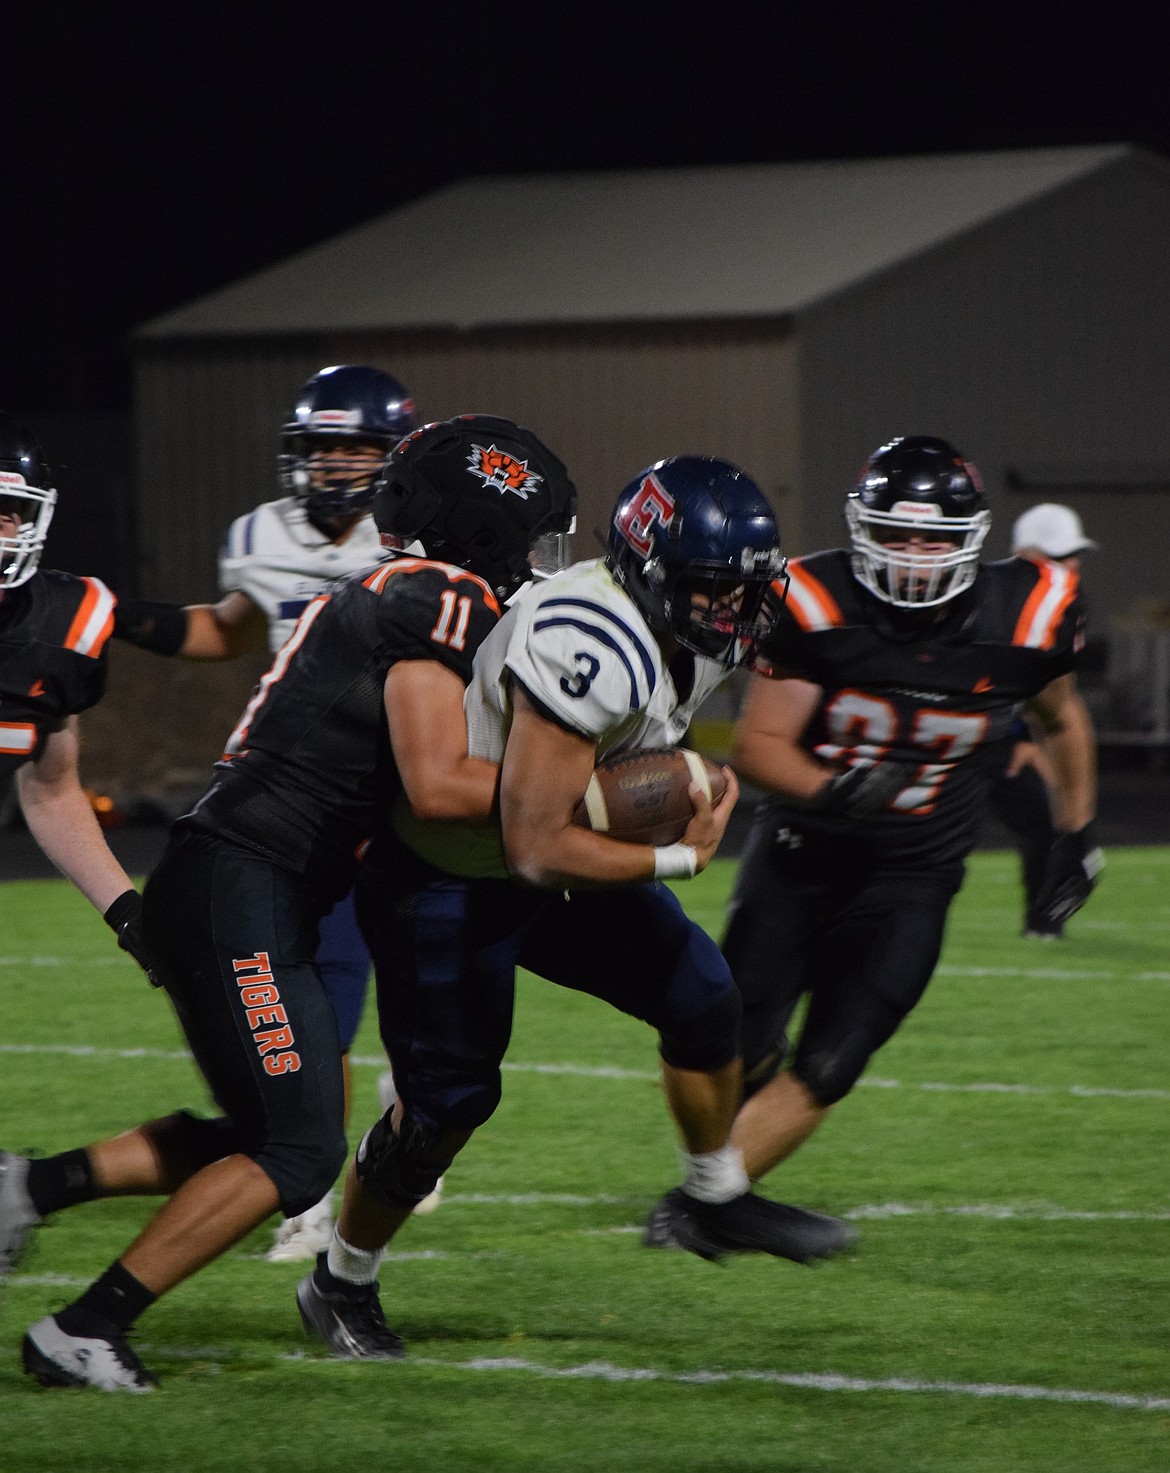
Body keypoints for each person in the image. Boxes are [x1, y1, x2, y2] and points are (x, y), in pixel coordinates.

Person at [6, 414, 577, 1392]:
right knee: (301, 1150)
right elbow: (436, 787)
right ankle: (83, 1329)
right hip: (245, 887)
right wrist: (580, 804)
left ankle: (30, 1187)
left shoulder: (397, 589)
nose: (537, 560)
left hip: (242, 883)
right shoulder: (440, 599)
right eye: (531, 536)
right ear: (489, 530)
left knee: (266, 1132)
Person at [295, 454, 854, 1363]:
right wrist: (679, 851)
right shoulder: (589, 637)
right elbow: (536, 842)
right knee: (446, 1106)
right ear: (650, 569)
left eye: (748, 589)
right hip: (449, 877)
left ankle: (713, 1198)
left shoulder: (681, 630)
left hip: (536, 858)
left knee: (706, 998)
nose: (736, 611)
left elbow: (579, 811)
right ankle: (340, 1281)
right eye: (714, 590)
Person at [642, 438, 1101, 1245]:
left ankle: (699, 1209)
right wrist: (835, 789)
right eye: (896, 533)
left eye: (932, 537)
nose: (914, 555)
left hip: (917, 869)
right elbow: (760, 745)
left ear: (973, 537)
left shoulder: (1029, 612)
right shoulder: (816, 601)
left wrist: (1076, 831)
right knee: (729, 1040)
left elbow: (1060, 718)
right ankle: (709, 1188)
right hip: (803, 852)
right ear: (861, 528)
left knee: (831, 1060)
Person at [111, 363, 434, 1257]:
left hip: (406, 783)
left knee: (425, 971)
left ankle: (413, 1116)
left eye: (356, 448)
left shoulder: (420, 531)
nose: (335, 467)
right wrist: (120, 616)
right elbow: (231, 629)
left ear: (393, 455)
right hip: (301, 793)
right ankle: (308, 1195)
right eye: (322, 448)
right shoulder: (262, 534)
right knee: (316, 989)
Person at [985, 503, 1098, 938]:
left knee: (1046, 822)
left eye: (1071, 556)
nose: (1067, 566)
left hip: (1003, 738)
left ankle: (1044, 918)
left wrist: (1078, 830)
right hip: (943, 740)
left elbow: (1059, 706)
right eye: (1055, 556)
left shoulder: (1062, 606)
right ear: (1023, 556)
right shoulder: (992, 599)